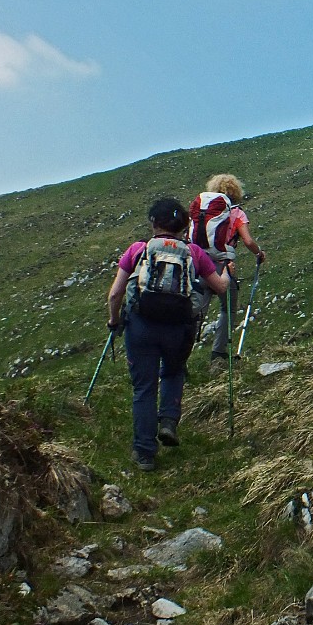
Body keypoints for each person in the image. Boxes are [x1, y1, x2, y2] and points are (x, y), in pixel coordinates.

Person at [107, 198, 231, 471]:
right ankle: (168, 422)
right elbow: (221, 288)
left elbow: (116, 293)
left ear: (153, 223)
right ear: (184, 225)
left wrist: (114, 320)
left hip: (141, 325)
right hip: (178, 326)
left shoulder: (138, 249)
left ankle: (144, 453)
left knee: (144, 387)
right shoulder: (195, 253)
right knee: (173, 373)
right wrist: (228, 270)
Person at [192, 174, 266, 370]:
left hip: (201, 266)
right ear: (235, 191)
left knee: (197, 309)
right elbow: (248, 242)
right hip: (224, 267)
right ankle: (218, 353)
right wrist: (259, 253)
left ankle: (181, 355)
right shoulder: (237, 214)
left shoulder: (204, 214)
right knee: (228, 309)